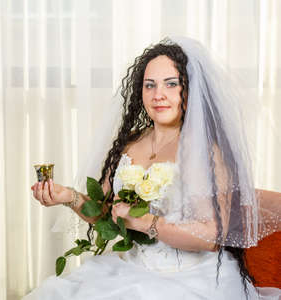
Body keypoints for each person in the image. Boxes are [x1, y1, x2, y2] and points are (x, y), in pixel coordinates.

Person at [26, 37, 281, 300]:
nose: (158, 95)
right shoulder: (131, 142)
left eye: (171, 84)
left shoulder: (204, 151)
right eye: (150, 85)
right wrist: (68, 196)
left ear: (190, 90)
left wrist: (146, 222)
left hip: (190, 279)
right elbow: (105, 214)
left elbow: (210, 235)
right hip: (130, 268)